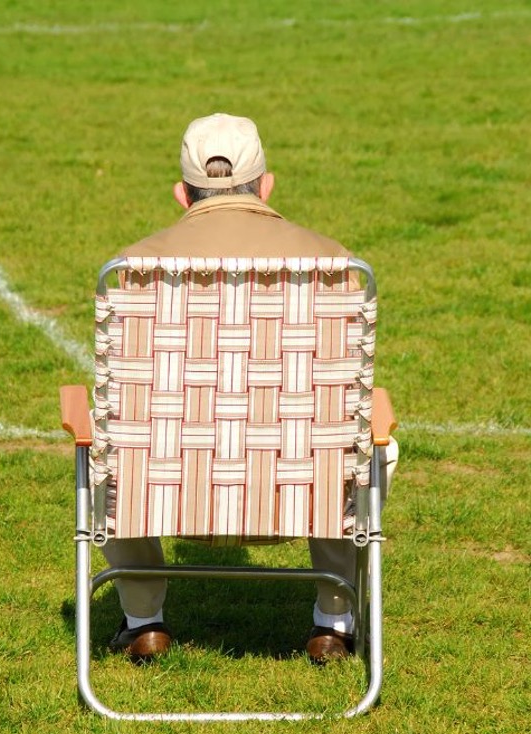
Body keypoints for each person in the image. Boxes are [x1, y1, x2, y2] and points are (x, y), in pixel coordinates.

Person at [102, 113, 398, 664]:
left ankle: (144, 622)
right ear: (266, 186)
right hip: (295, 484)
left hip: (171, 487)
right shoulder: (331, 261)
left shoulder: (138, 266)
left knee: (110, 442)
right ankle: (333, 623)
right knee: (356, 435)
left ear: (182, 193)